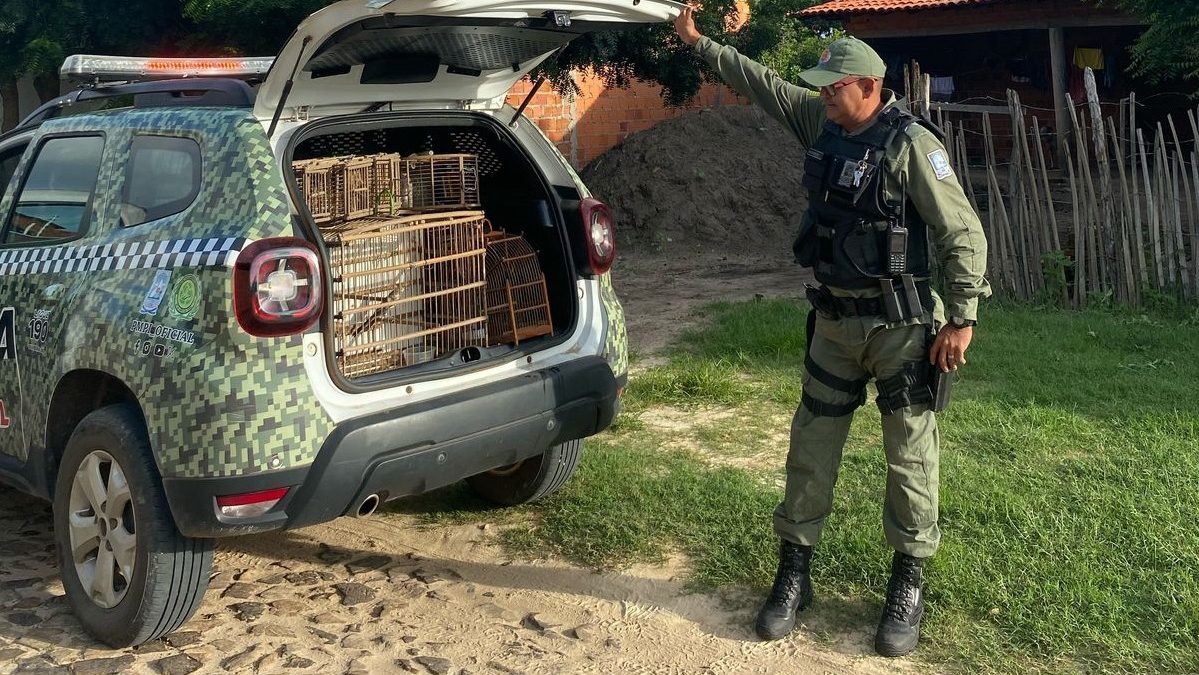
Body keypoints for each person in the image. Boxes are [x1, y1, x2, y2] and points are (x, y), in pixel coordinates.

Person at [673, 7, 991, 658]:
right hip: (833, 324)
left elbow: (961, 232)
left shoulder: (910, 145)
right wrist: (701, 46)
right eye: (819, 86)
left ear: (869, 86)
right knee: (809, 446)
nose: (822, 94)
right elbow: (759, 81)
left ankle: (907, 583)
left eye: (833, 85)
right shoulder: (822, 120)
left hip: (901, 327)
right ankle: (793, 573)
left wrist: (961, 317)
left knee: (908, 456)